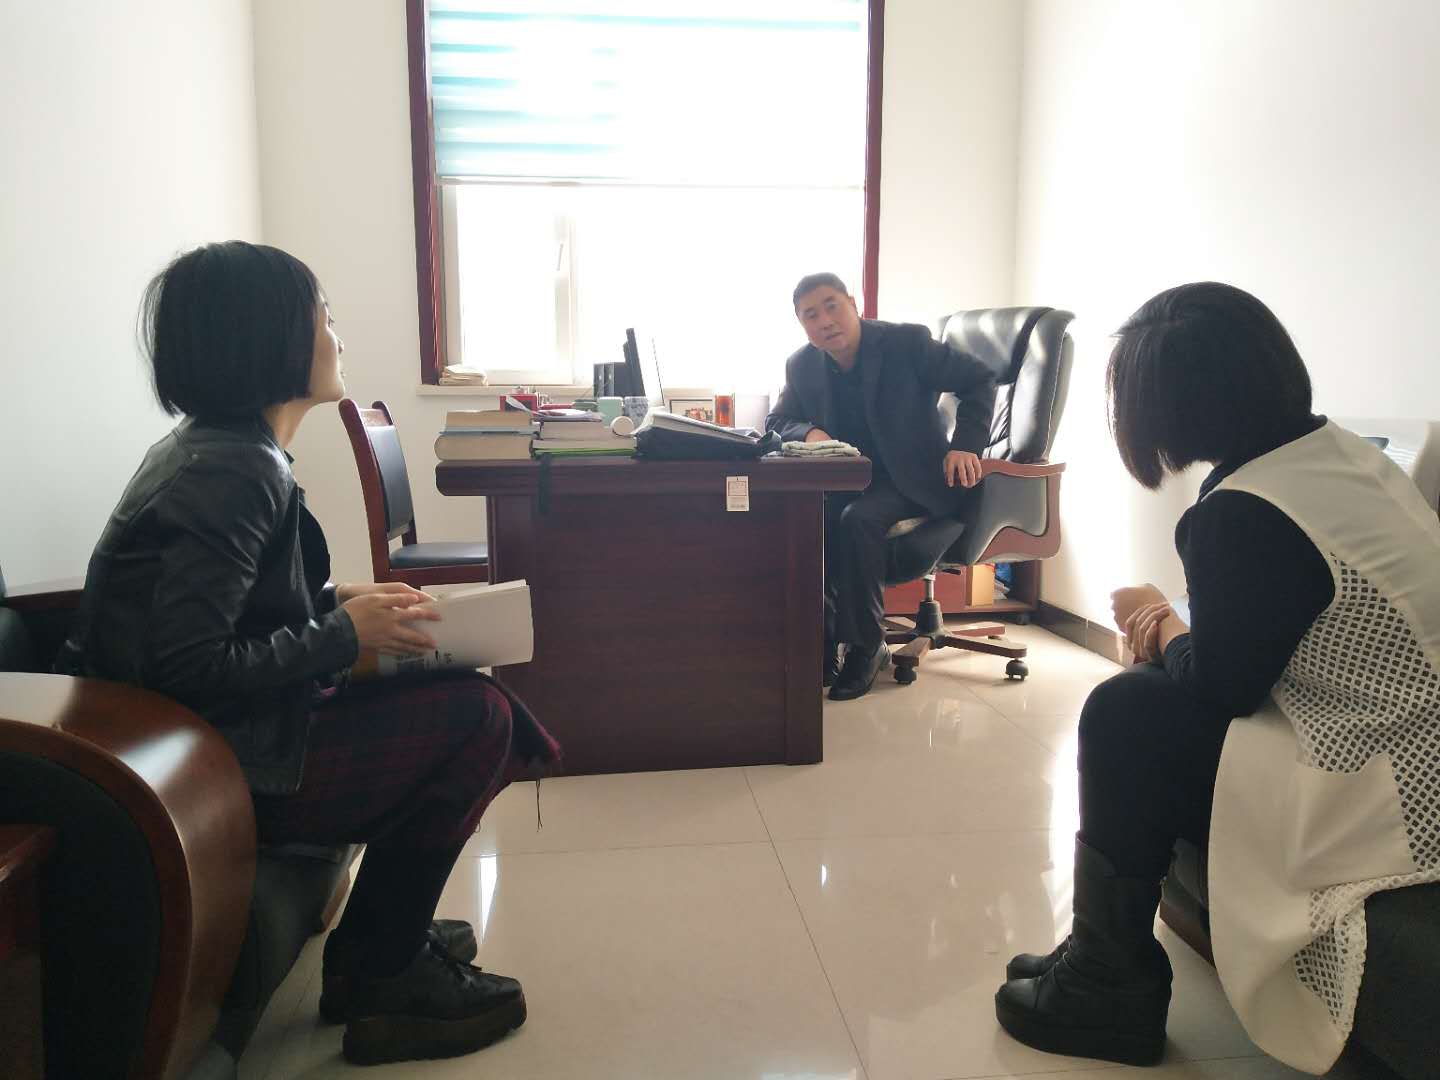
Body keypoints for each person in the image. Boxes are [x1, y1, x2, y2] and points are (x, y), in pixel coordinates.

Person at [56, 241, 561, 1067]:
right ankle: (381, 973)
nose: (336, 334)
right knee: (477, 719)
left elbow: (222, 618)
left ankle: (382, 935)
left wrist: (336, 602)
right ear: (268, 338)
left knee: (469, 696)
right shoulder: (233, 472)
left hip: (215, 743)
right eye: (323, 316)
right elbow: (189, 667)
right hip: (210, 771)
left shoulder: (220, 450)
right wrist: (343, 634)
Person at [994, 283, 1440, 1073]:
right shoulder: (1344, 454)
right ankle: (1100, 952)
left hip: (1388, 787)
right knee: (1146, 698)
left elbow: (1223, 687)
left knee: (1128, 712)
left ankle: (1105, 985)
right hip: (1408, 734)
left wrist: (1157, 620)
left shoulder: (1246, 509)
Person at [766, 273, 997, 700]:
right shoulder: (802, 365)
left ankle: (866, 646)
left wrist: (966, 445)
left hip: (915, 479)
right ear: (802, 325)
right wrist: (809, 431)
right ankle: (821, 641)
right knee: (804, 518)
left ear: (853, 304)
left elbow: (979, 378)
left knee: (859, 519)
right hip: (849, 480)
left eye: (832, 306)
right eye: (811, 315)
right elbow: (778, 420)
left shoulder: (907, 343)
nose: (825, 320)